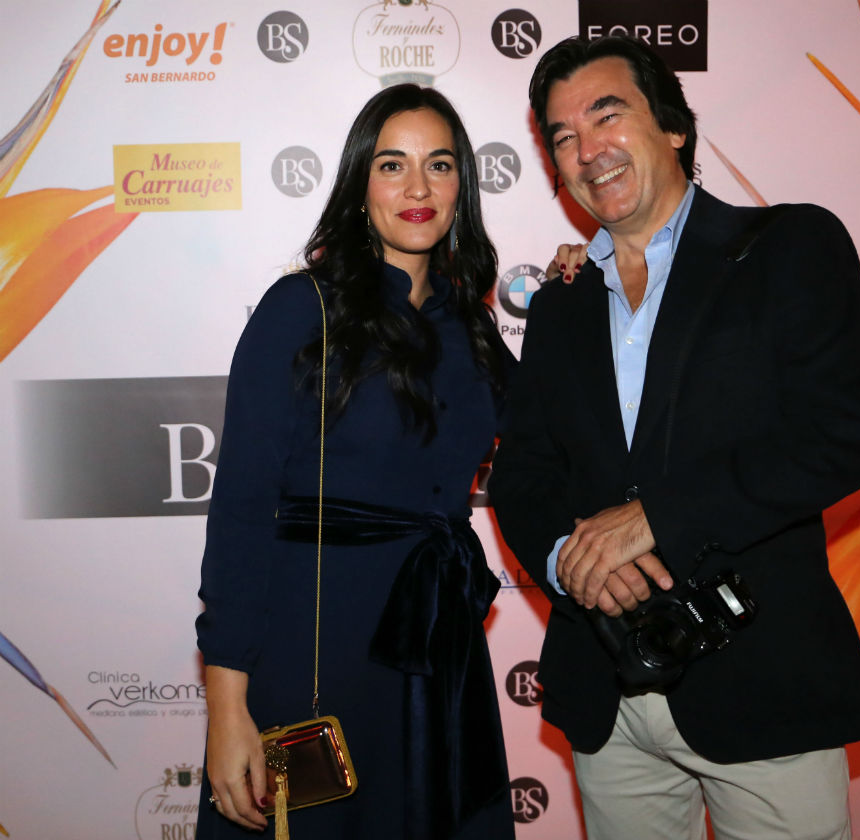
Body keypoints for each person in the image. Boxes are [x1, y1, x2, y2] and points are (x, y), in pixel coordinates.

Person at [488, 35, 860, 840]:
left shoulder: (787, 247)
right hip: (607, 692)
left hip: (763, 684)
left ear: (672, 126)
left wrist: (655, 519)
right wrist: (570, 562)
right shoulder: (561, 302)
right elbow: (523, 473)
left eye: (607, 115)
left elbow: (835, 439)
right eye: (563, 136)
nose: (587, 149)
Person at [196, 83, 514, 840]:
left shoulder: (472, 328)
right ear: (359, 184)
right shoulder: (301, 310)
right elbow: (241, 511)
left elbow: (557, 434)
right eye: (392, 165)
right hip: (315, 651)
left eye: (439, 165)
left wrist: (583, 284)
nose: (417, 188)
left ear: (462, 185)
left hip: (438, 656)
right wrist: (226, 708)